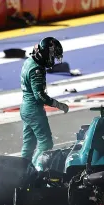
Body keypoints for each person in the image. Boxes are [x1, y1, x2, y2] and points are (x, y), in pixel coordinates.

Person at [20, 37, 69, 170]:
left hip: (25, 108)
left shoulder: (29, 61)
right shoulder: (37, 70)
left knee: (29, 144)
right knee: (45, 143)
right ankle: (36, 172)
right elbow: (40, 96)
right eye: (53, 55)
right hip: (34, 109)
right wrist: (58, 104)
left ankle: (22, 170)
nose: (53, 59)